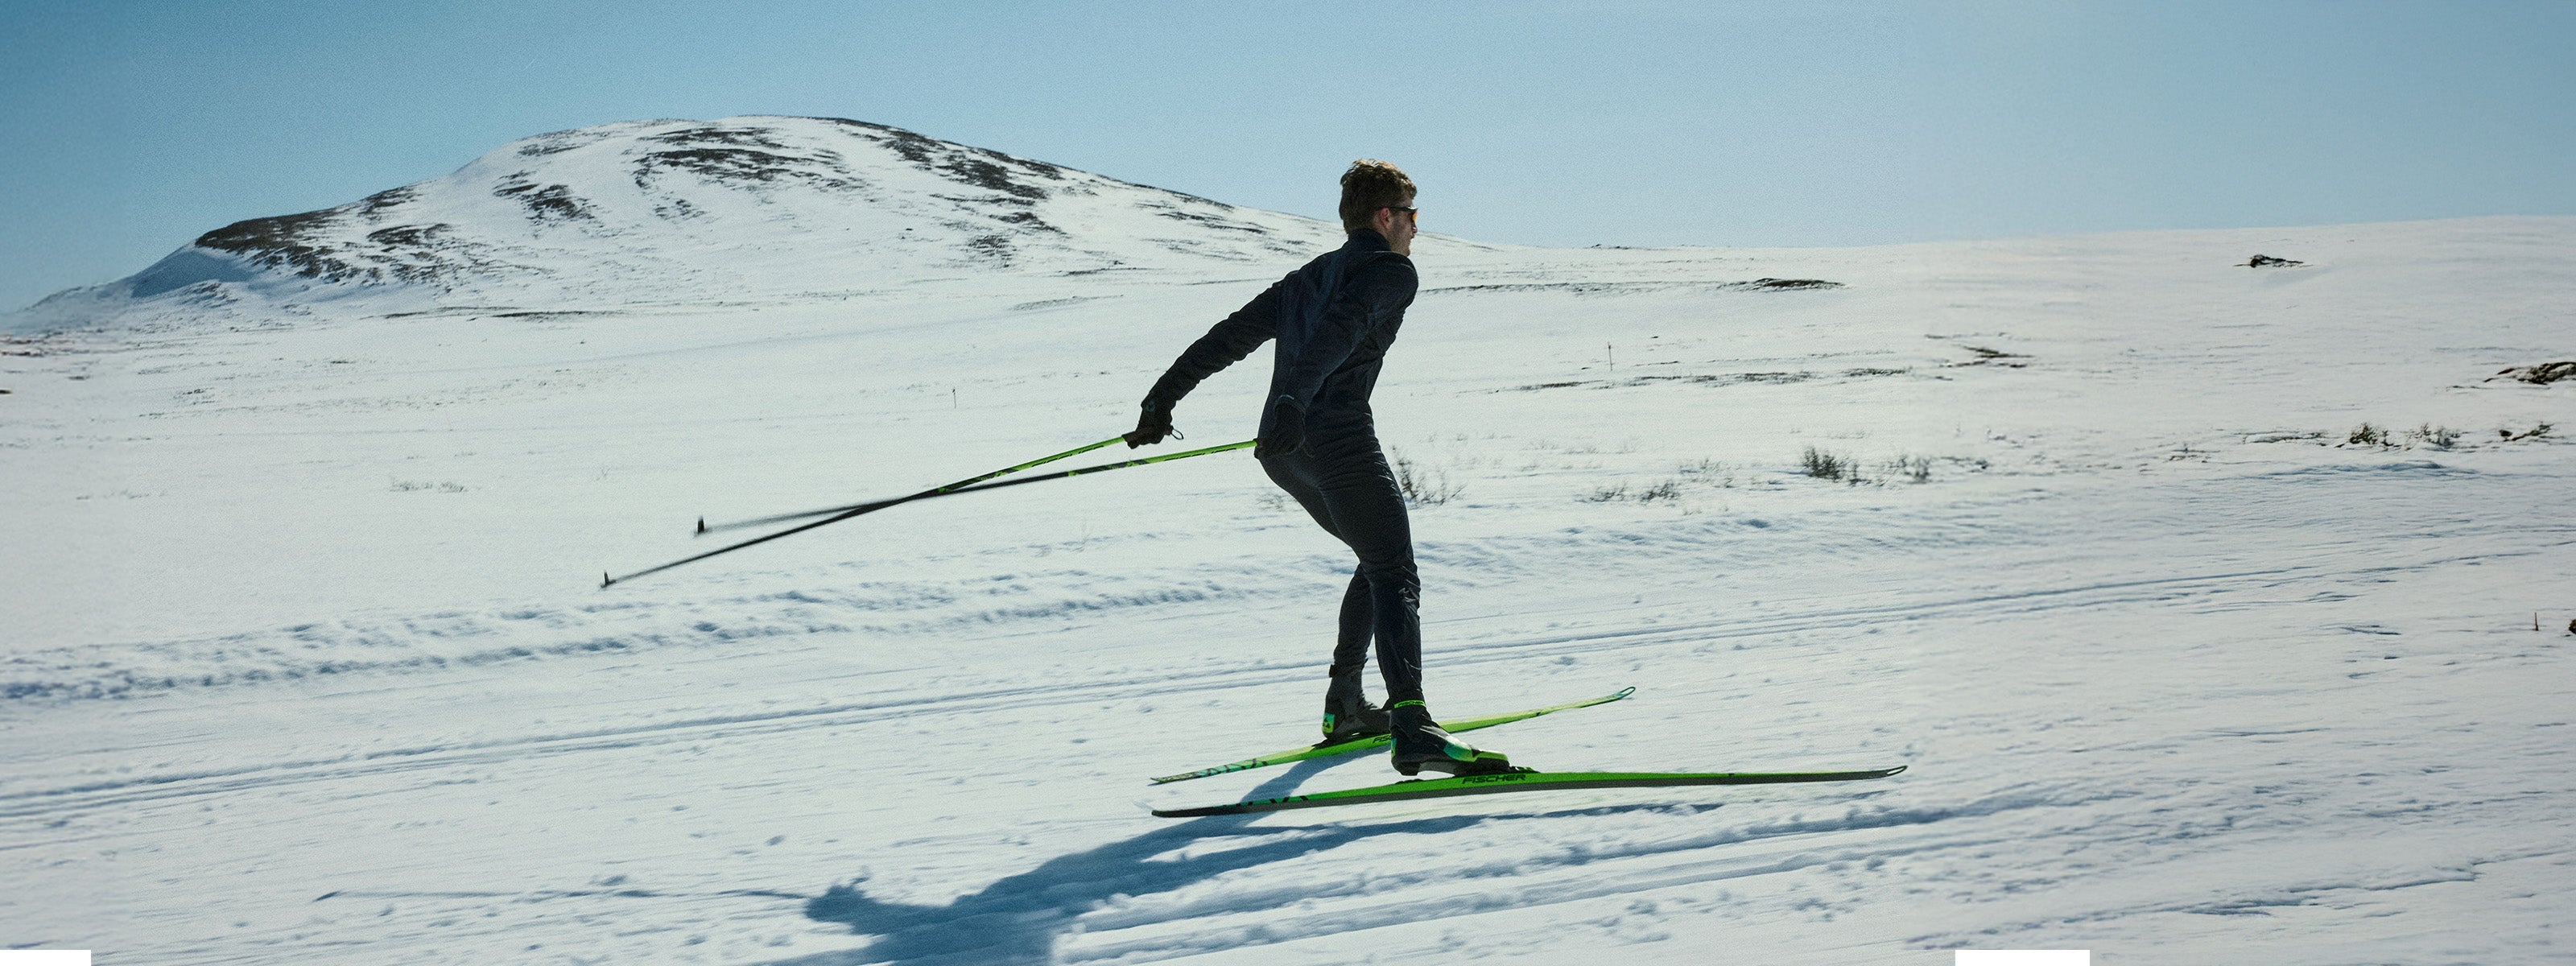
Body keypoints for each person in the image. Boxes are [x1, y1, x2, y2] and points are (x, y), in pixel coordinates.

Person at [1124, 159, 1510, 777]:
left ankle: (1346, 705)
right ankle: (1411, 724)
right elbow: (1343, 328)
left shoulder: (1307, 277)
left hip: (1287, 452)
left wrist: (1160, 399)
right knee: (1395, 573)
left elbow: (1225, 339)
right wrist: (1293, 399)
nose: (1416, 227)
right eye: (1412, 214)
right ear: (1386, 217)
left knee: (1373, 558)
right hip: (1335, 440)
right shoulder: (1390, 271)